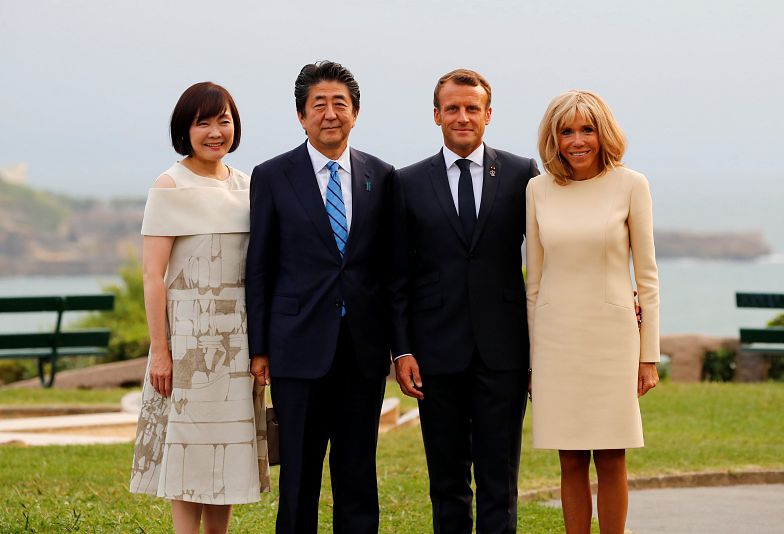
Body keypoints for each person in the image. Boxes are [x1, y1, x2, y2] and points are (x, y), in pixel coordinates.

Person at [245, 61, 394, 534]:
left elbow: (389, 269)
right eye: (319, 105)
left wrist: (398, 343)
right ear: (301, 116)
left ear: (356, 113)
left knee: (357, 475)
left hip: (363, 351)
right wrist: (260, 348)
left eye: (340, 104)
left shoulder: (381, 176)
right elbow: (260, 266)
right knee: (300, 479)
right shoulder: (272, 176)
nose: (330, 114)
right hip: (296, 348)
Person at [390, 69, 538, 533]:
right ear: (436, 115)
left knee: (500, 479)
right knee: (447, 481)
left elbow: (548, 257)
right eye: (452, 108)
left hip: (504, 353)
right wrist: (402, 349)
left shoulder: (521, 174)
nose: (462, 116)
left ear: (488, 115)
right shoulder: (407, 181)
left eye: (472, 108)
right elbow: (397, 276)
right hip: (435, 353)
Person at [130, 82, 270, 533]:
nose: (215, 132)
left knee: (228, 453)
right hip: (187, 342)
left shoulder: (249, 186)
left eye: (223, 120)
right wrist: (162, 351)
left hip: (240, 341)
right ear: (185, 129)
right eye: (203, 122)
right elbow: (153, 275)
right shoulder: (170, 185)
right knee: (189, 453)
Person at [525, 90, 660, 534]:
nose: (577, 140)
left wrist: (648, 355)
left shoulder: (631, 184)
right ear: (554, 138)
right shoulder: (538, 189)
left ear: (603, 134)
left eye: (587, 129)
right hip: (556, 342)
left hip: (611, 340)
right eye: (567, 131)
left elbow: (648, 277)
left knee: (612, 456)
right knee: (569, 459)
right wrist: (530, 359)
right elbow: (535, 281)